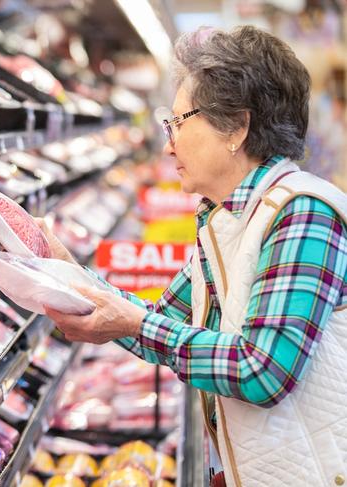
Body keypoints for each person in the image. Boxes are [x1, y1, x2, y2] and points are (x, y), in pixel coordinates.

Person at [39, 26, 347, 487]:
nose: (168, 144)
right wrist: (70, 277)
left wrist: (135, 323)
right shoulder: (225, 220)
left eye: (178, 122)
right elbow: (160, 321)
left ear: (237, 128)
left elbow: (263, 370)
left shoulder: (302, 213)